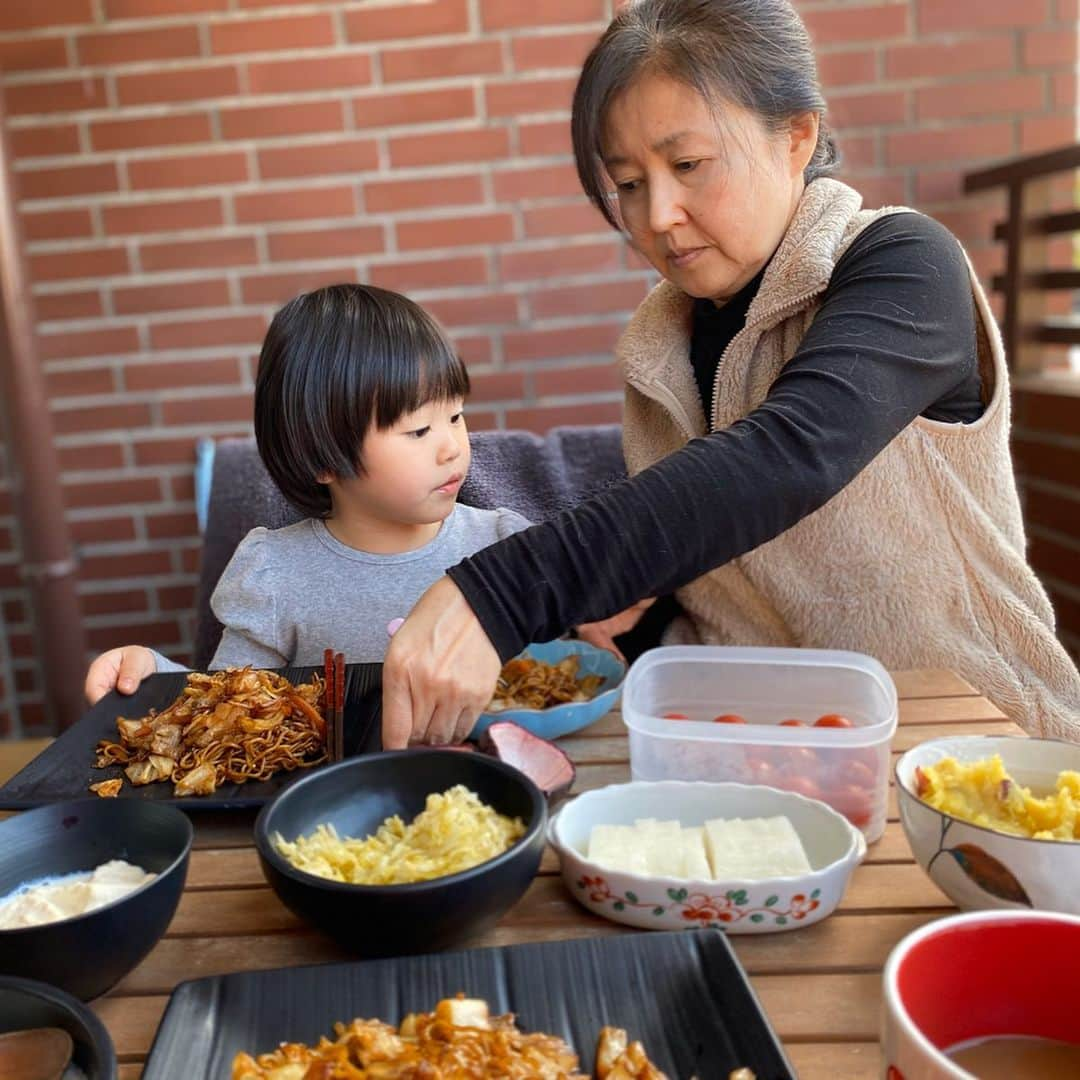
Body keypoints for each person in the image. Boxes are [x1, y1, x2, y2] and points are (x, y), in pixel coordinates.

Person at [380, 0, 1080, 749]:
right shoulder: (662, 347)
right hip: (750, 747)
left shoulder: (902, 263)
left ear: (796, 137)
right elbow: (734, 559)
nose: (658, 215)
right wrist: (635, 602)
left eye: (687, 165)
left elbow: (788, 456)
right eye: (629, 182)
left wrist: (499, 593)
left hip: (969, 739)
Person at [83, 284, 531, 710]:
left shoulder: (505, 545)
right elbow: (226, 703)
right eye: (418, 430)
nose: (453, 445)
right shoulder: (276, 575)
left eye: (455, 415)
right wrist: (151, 677)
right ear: (323, 458)